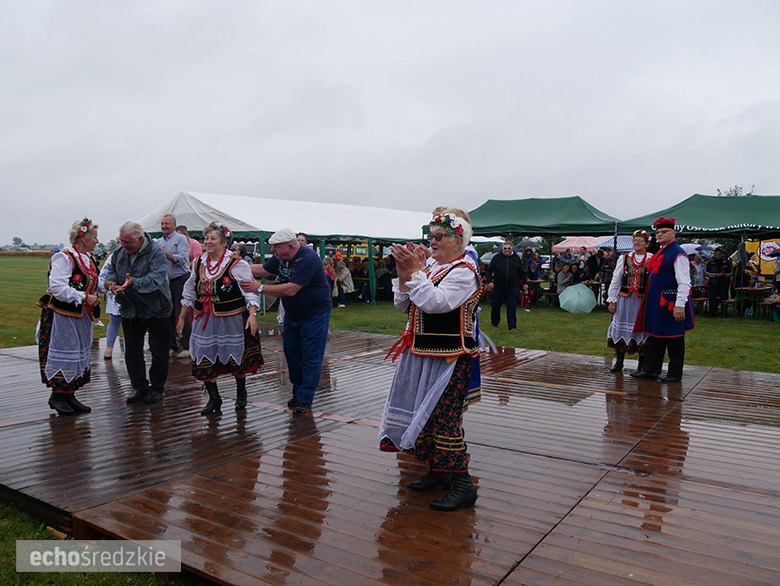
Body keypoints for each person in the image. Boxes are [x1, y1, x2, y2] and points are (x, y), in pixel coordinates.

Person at [379, 209, 481, 511]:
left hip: (451, 357)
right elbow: (405, 305)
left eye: (439, 236)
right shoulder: (434, 266)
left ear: (457, 240)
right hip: (424, 353)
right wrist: (404, 272)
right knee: (426, 415)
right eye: (431, 236)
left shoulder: (464, 271)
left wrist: (416, 270)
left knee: (445, 419)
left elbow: (436, 304)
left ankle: (463, 485)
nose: (432, 241)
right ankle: (439, 470)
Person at [241, 228, 331, 414]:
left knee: (311, 356)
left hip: (314, 315)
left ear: (291, 246)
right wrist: (234, 266)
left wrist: (259, 289)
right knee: (292, 354)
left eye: (276, 247)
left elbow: (291, 289)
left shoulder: (309, 258)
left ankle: (305, 398)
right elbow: (264, 270)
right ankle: (298, 393)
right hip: (293, 315)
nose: (273, 251)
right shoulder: (283, 257)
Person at [177, 222, 264, 415]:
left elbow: (249, 292)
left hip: (230, 318)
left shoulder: (236, 263)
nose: (207, 241)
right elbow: (189, 292)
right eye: (206, 238)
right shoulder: (198, 263)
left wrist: (252, 314)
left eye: (212, 238)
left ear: (224, 242)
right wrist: (182, 318)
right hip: (203, 319)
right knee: (203, 357)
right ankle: (214, 398)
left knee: (235, 357)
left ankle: (241, 391)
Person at [37, 218, 102, 415]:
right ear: (83, 239)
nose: (97, 241)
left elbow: (91, 282)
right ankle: (58, 395)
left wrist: (109, 287)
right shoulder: (64, 257)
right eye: (94, 237)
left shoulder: (87, 258)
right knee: (64, 350)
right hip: (62, 315)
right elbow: (57, 287)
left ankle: (69, 393)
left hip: (78, 315)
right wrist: (83, 297)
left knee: (77, 352)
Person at [104, 221, 172, 404]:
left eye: (128, 243)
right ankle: (139, 387)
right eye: (122, 242)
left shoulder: (156, 252)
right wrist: (112, 284)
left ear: (140, 239)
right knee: (132, 351)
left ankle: (157, 388)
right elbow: (111, 272)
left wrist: (133, 283)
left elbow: (156, 278)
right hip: (130, 308)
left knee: (159, 350)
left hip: (157, 308)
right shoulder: (119, 253)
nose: (124, 246)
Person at [631, 217, 694, 383]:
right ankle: (651, 370)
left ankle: (674, 373)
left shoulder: (678, 254)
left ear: (673, 233)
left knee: (674, 338)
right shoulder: (663, 251)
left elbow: (684, 282)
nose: (660, 234)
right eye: (658, 232)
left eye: (664, 232)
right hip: (658, 304)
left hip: (670, 303)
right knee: (656, 336)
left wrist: (680, 305)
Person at [606, 230, 652, 373]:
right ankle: (619, 362)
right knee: (620, 329)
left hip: (642, 301)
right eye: (635, 240)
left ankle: (641, 365)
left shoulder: (651, 259)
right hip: (625, 300)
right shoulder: (624, 258)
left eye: (640, 240)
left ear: (647, 244)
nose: (637, 243)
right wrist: (612, 300)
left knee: (642, 330)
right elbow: (616, 280)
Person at [156, 214, 191, 358]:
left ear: (174, 225)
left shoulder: (180, 239)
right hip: (166, 281)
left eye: (167, 223)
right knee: (167, 313)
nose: (164, 226)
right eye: (162, 223)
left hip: (180, 279)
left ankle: (187, 346)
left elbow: (182, 259)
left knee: (181, 312)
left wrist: (165, 254)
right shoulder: (158, 241)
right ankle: (172, 345)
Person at [485, 241, 528, 330]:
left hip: (511, 286)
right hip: (498, 286)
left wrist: (525, 283)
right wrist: (490, 281)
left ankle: (512, 326)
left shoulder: (516, 258)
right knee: (496, 305)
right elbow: (489, 270)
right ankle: (495, 323)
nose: (507, 250)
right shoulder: (496, 258)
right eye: (505, 248)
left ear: (512, 249)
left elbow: (522, 271)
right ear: (502, 249)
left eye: (508, 248)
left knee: (512, 306)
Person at [98, 249, 122, 360]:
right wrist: (106, 286)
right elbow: (102, 274)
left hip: (134, 293)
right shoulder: (114, 255)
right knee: (114, 320)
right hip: (116, 293)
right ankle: (109, 347)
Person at [704, 248, 733, 317]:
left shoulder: (727, 262)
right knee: (712, 298)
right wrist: (715, 275)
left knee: (724, 298)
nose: (718, 256)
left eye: (719, 254)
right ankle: (712, 313)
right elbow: (706, 272)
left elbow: (731, 272)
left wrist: (725, 274)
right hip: (713, 283)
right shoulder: (710, 263)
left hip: (723, 283)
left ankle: (724, 313)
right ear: (714, 254)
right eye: (716, 255)